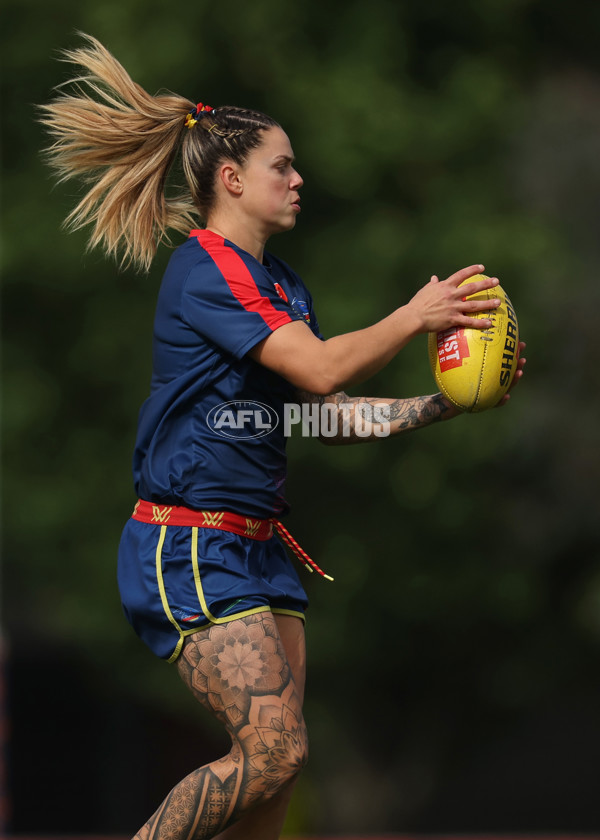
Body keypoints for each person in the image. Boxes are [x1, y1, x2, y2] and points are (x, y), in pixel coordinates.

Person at [41, 33, 525, 840]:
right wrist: (417, 316)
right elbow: (326, 370)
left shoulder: (280, 284)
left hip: (259, 549)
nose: (299, 180)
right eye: (282, 166)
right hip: (189, 547)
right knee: (270, 755)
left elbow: (327, 416)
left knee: (272, 790)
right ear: (231, 180)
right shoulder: (208, 267)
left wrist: (448, 405)